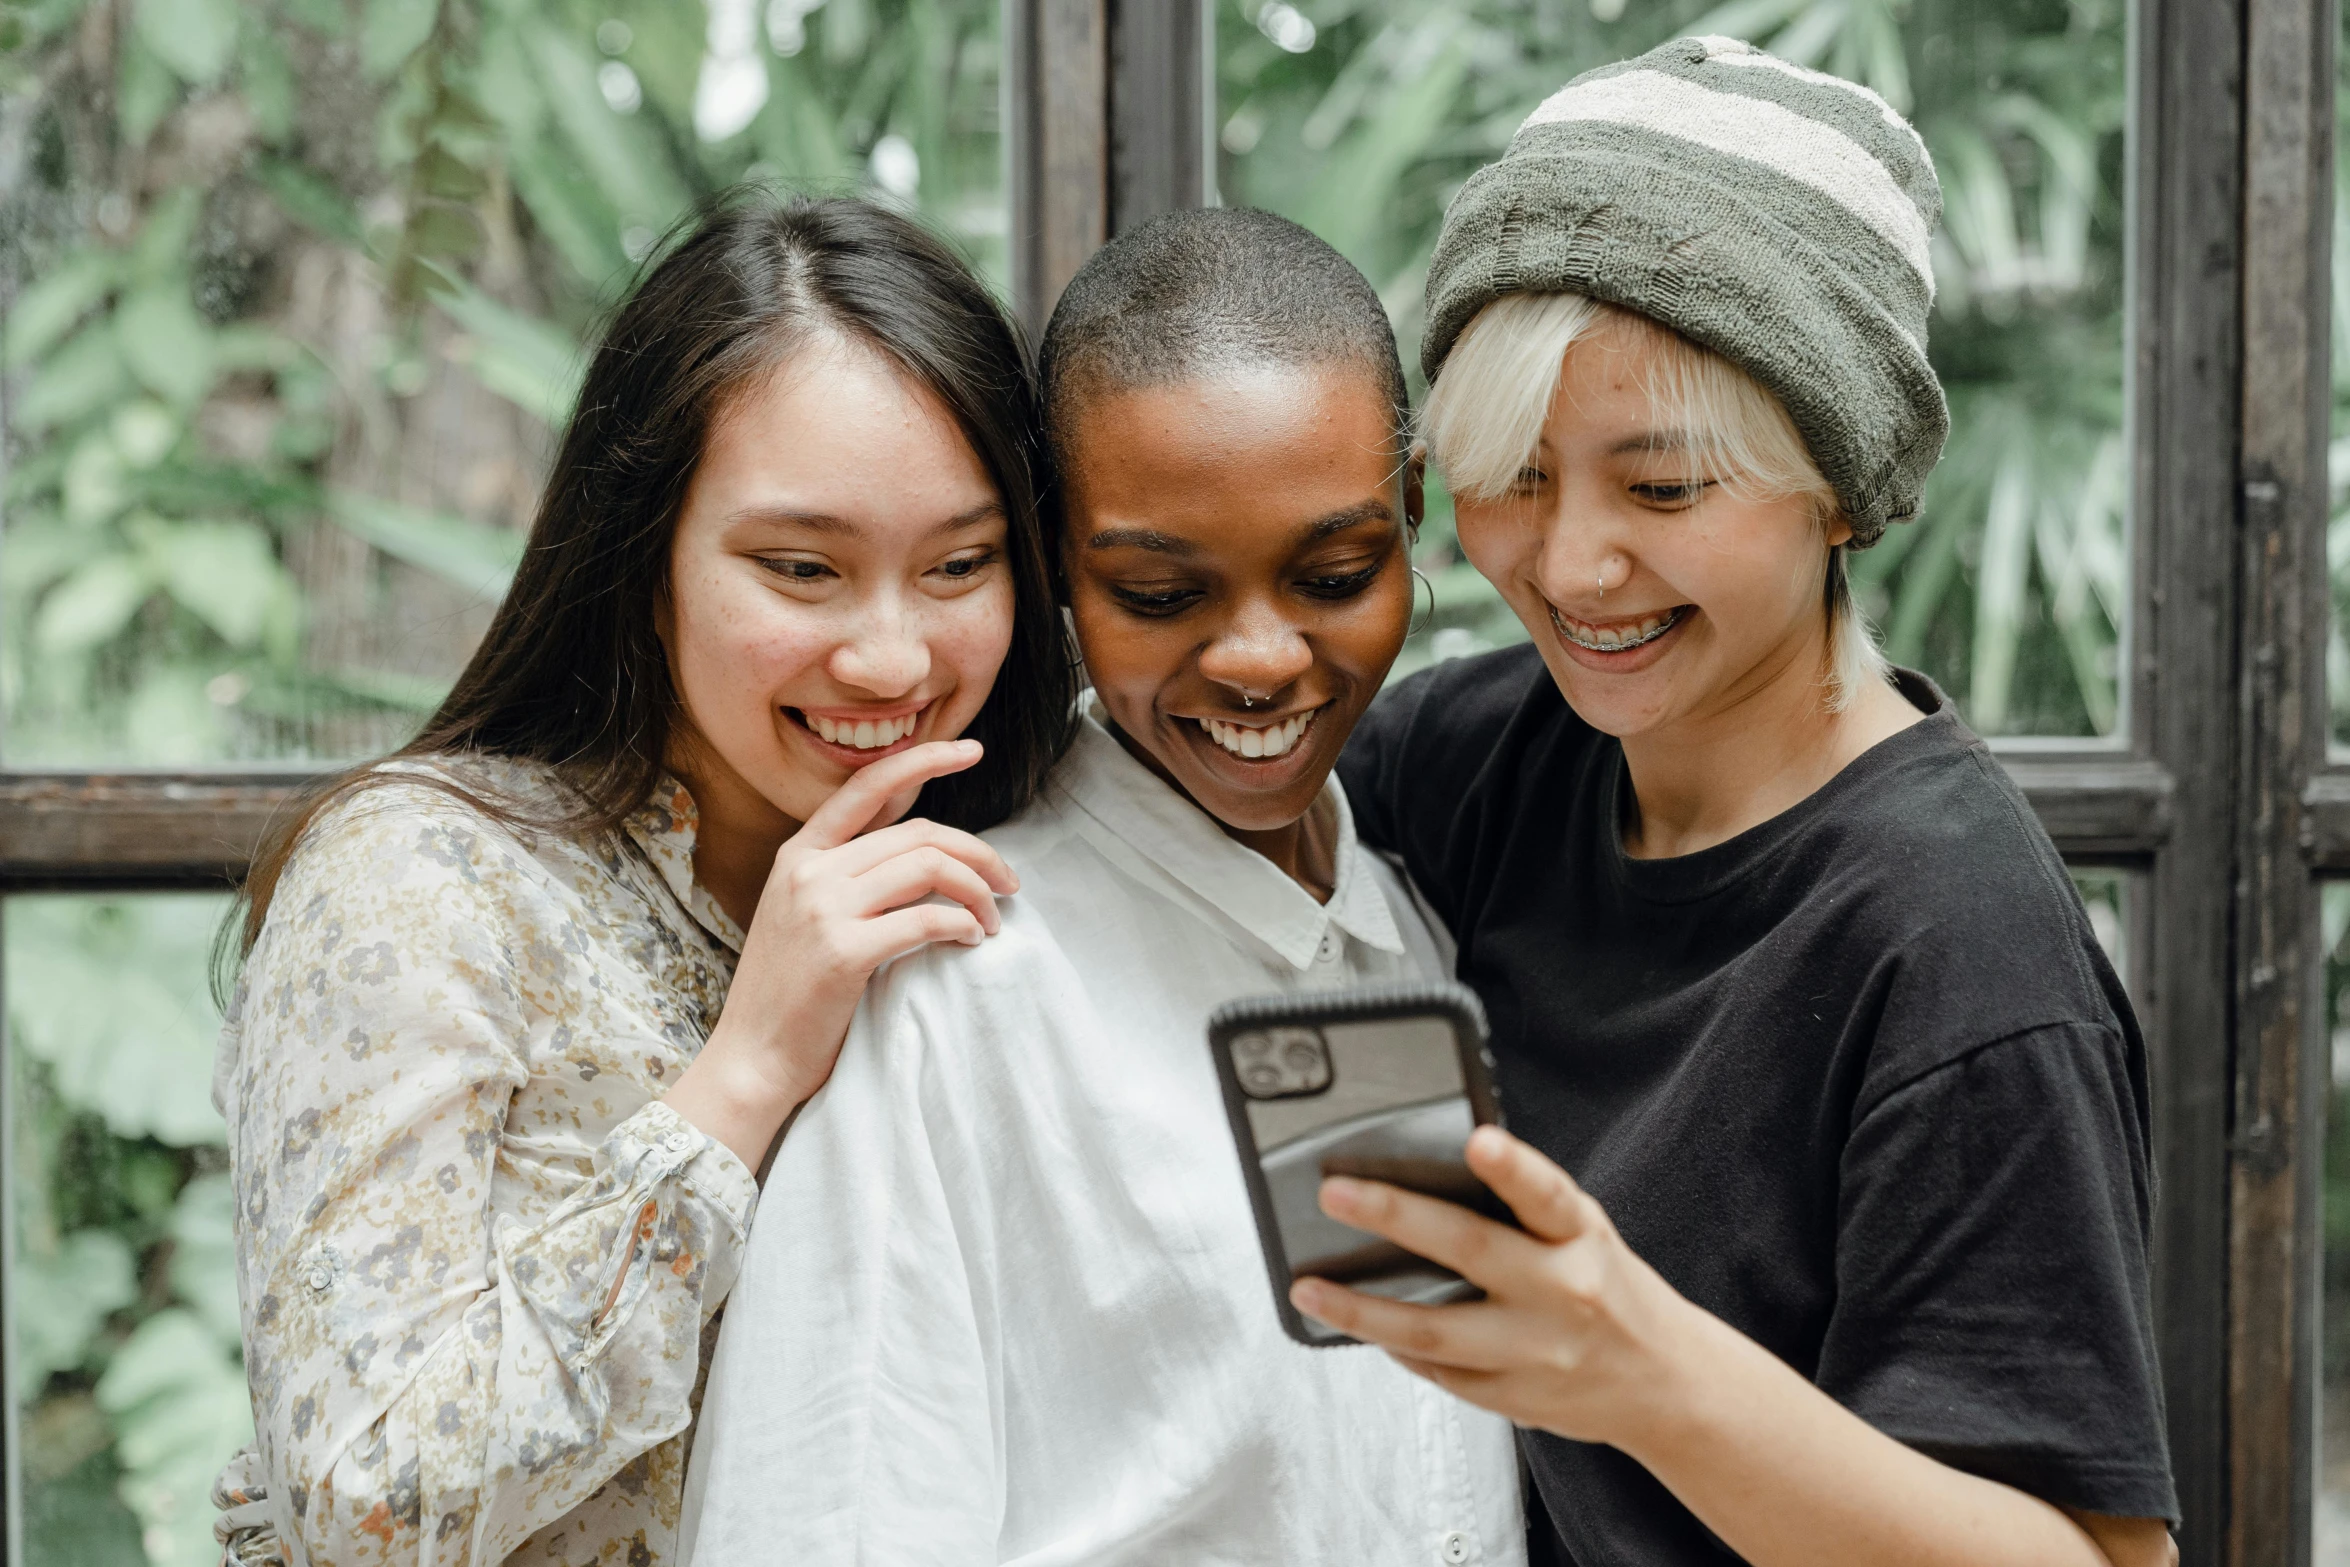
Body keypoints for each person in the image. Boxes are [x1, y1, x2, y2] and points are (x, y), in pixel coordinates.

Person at [1315, 38, 2179, 1567]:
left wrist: (1642, 1374)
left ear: (1838, 486)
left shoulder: (1957, 947)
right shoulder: (1481, 756)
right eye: (1514, 474)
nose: (1569, 566)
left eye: (1661, 491)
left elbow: (2099, 1557)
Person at [209, 193, 1077, 1567]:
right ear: (645, 559)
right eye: (802, 568)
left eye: (961, 565)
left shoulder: (1015, 886)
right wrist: (742, 1078)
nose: (894, 658)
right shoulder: (418, 883)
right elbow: (361, 1507)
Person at [679, 208, 1524, 1567]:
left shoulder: (1400, 930)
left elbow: (1396, 1478)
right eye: (1156, 590)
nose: (1258, 656)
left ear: (1413, 511)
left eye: (1332, 573)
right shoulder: (957, 987)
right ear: (1055, 561)